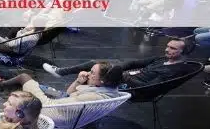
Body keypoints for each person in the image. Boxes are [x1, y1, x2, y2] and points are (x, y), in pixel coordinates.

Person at [43, 38, 192, 88]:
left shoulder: (174, 70)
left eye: (172, 48)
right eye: (167, 46)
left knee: (94, 72)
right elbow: (135, 63)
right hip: (124, 76)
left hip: (131, 86)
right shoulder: (162, 59)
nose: (166, 50)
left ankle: (70, 97)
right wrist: (118, 68)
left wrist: (122, 76)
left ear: (183, 52)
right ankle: (60, 72)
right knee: (95, 64)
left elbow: (149, 88)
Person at [0, 62, 124, 106]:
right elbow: (68, 95)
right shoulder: (103, 89)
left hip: (49, 107)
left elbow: (50, 105)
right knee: (29, 79)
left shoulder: (91, 97)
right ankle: (5, 83)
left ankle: (2, 84)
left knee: (24, 77)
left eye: (92, 73)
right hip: (62, 99)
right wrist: (78, 81)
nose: (89, 74)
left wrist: (37, 92)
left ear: (102, 80)